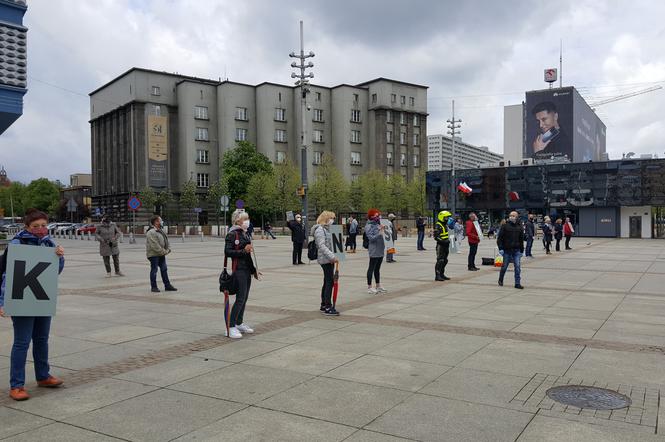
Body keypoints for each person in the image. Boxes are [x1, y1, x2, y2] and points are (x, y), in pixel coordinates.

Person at [0, 208, 65, 401]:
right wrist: (2, 302)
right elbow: (7, 275)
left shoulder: (48, 243)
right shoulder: (17, 244)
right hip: (23, 299)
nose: (41, 229)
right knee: (22, 342)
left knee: (41, 339)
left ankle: (43, 376)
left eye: (44, 225)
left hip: (41, 298)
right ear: (27, 226)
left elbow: (54, 272)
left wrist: (59, 257)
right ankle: (16, 385)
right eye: (36, 226)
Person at [224, 209, 259, 337]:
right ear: (237, 220)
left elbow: (248, 256)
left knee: (244, 298)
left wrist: (254, 270)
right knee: (240, 299)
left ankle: (239, 322)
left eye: (247, 219)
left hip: (246, 270)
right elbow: (228, 252)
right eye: (245, 219)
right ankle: (230, 326)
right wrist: (244, 251)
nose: (247, 221)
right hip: (238, 270)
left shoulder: (244, 234)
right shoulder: (233, 234)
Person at [312, 211, 340, 316]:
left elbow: (332, 243)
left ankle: (324, 304)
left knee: (327, 280)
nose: (333, 220)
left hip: (329, 259)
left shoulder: (328, 229)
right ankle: (327, 306)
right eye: (332, 218)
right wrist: (332, 256)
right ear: (327, 218)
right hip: (325, 259)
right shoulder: (320, 230)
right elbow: (322, 245)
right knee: (330, 282)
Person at [146, 215, 177, 293]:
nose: (162, 221)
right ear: (156, 222)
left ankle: (167, 285)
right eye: (160, 220)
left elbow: (166, 241)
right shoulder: (151, 232)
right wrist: (164, 252)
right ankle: (154, 287)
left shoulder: (160, 230)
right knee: (154, 270)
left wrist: (168, 248)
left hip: (161, 254)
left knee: (164, 269)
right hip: (153, 255)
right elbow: (155, 246)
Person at [497, 211, 525, 289]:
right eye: (510, 215)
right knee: (504, 266)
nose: (512, 217)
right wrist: (501, 248)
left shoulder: (519, 227)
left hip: (516, 250)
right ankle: (501, 279)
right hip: (507, 250)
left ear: (516, 217)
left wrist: (522, 250)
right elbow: (500, 239)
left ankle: (517, 283)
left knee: (517, 267)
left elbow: (521, 239)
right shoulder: (505, 226)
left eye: (513, 215)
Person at [365, 208, 386, 294]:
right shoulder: (368, 226)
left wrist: (383, 229)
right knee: (371, 268)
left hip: (380, 249)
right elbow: (371, 238)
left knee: (377, 268)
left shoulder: (378, 224)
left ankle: (378, 285)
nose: (378, 217)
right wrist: (379, 233)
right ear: (371, 216)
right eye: (376, 215)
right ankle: (369, 286)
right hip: (374, 250)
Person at [434, 210, 452, 281]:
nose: (447, 219)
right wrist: (443, 241)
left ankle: (442, 274)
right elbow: (436, 237)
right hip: (441, 246)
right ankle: (437, 275)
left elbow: (447, 234)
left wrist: (452, 238)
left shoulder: (445, 225)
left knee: (445, 260)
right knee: (440, 260)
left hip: (446, 245)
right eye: (446, 218)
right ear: (442, 217)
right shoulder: (438, 225)